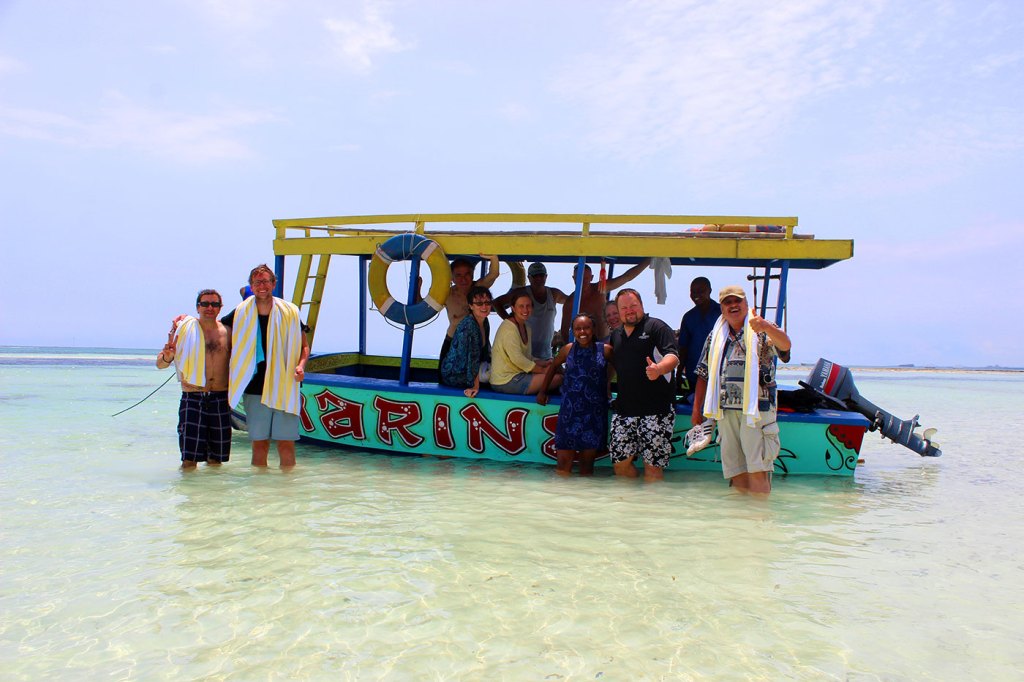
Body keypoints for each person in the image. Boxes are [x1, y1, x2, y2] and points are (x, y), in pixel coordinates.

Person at [691, 285, 791, 495]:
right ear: (722, 308)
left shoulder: (761, 329)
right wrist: (696, 409)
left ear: (746, 304)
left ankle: (760, 522)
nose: (733, 305)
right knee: (735, 471)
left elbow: (786, 346)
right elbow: (703, 373)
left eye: (737, 301)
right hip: (725, 412)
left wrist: (766, 326)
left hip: (757, 412)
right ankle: (740, 523)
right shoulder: (715, 336)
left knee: (758, 470)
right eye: (727, 302)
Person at [221, 264, 310, 468]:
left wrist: (301, 366)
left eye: (266, 281)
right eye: (257, 282)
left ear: (274, 284)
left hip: (285, 386)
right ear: (251, 286)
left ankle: (286, 493)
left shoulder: (290, 311)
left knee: (286, 445)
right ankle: (260, 495)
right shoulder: (240, 313)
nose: (262, 286)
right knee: (259, 445)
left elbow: (304, 346)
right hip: (254, 388)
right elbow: (215, 331)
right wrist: (184, 323)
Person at [608, 288, 679, 481]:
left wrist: (659, 369)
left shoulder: (657, 327)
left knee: (653, 470)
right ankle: (629, 507)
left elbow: (673, 357)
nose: (629, 310)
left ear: (642, 305)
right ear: (619, 311)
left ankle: (652, 510)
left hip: (656, 410)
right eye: (624, 308)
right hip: (624, 411)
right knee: (620, 467)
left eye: (633, 306)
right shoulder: (616, 335)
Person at [157, 289, 232, 469]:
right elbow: (160, 364)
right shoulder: (184, 330)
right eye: (205, 303)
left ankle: (214, 495)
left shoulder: (228, 332)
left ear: (220, 308)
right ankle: (190, 495)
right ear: (197, 307)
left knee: (216, 460)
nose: (209, 308)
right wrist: (168, 356)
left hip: (220, 398)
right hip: (193, 397)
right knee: (189, 459)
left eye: (214, 304)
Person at [537, 313, 612, 476]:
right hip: (569, 413)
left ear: (593, 329)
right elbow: (552, 367)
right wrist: (542, 391)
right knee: (563, 465)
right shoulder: (567, 349)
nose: (582, 332)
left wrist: (607, 385)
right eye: (578, 328)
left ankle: (582, 500)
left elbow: (620, 369)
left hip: (594, 414)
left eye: (586, 327)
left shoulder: (605, 350)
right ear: (573, 331)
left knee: (586, 467)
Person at [559, 259, 651, 342]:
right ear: (574, 278)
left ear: (591, 278)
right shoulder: (570, 303)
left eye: (586, 278)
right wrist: (572, 349)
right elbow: (564, 331)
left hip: (607, 339)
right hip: (586, 345)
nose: (583, 281)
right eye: (579, 278)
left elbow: (626, 277)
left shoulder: (600, 288)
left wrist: (649, 260)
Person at [493, 262, 569, 360]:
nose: (538, 278)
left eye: (541, 275)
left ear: (546, 277)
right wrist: (511, 322)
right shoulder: (521, 293)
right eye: (535, 276)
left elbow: (572, 302)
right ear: (529, 278)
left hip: (546, 354)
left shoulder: (554, 294)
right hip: (524, 355)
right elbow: (496, 303)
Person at [491, 292, 561, 395]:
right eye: (521, 306)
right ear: (513, 308)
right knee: (558, 379)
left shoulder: (527, 328)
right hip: (505, 381)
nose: (525, 310)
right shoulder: (509, 329)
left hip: (519, 374)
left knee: (557, 367)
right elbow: (518, 359)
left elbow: (527, 357)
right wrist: (542, 370)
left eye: (528, 306)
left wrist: (545, 363)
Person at [439, 255, 501, 370]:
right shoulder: (447, 294)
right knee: (444, 377)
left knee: (483, 378)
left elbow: (493, 274)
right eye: (458, 275)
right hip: (453, 343)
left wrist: (493, 257)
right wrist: (418, 288)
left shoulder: (478, 288)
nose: (463, 279)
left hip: (479, 343)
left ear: (472, 274)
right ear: (452, 278)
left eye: (467, 274)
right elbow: (426, 308)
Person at [440, 286, 493, 398]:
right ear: (471, 306)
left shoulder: (485, 321)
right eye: (479, 303)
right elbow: (472, 359)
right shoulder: (469, 326)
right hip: (455, 374)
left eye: (487, 302)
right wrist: (475, 386)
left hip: (472, 368)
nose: (484, 306)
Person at [677, 277, 721, 401]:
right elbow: (683, 347)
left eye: (701, 291)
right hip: (694, 375)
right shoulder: (688, 317)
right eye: (693, 291)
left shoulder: (722, 313)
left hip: (718, 375)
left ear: (710, 290)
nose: (696, 295)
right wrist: (679, 373)